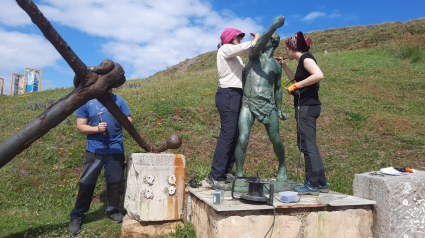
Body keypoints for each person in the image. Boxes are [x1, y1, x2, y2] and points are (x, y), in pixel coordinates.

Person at [233, 15, 289, 189]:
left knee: (276, 140)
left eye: (265, 37)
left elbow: (278, 89)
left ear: (272, 42)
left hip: (267, 104)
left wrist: (279, 109)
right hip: (248, 102)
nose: (259, 39)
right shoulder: (254, 55)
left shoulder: (276, 66)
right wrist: (274, 25)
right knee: (242, 138)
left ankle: (282, 166)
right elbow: (256, 44)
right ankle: (239, 173)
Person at [68, 90, 132, 235]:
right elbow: (80, 126)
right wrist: (97, 129)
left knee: (115, 182)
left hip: (115, 149)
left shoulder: (119, 101)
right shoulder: (87, 103)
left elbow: (129, 120)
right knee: (86, 183)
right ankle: (77, 215)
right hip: (94, 150)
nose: (106, 88)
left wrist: (120, 117)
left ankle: (113, 210)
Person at [205, 27, 261, 190]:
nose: (240, 40)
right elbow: (243, 48)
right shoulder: (225, 49)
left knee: (235, 135)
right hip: (228, 94)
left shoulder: (235, 57)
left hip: (236, 95)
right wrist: (255, 40)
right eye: (238, 37)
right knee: (228, 135)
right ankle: (215, 176)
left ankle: (225, 172)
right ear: (230, 38)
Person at [277, 31, 328, 196]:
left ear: (292, 48)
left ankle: (312, 184)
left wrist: (296, 87)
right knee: (310, 144)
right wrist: (284, 66)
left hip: (306, 108)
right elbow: (296, 81)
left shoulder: (306, 58)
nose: (286, 53)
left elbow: (319, 75)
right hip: (309, 106)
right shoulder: (303, 61)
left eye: (286, 49)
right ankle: (321, 182)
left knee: (307, 145)